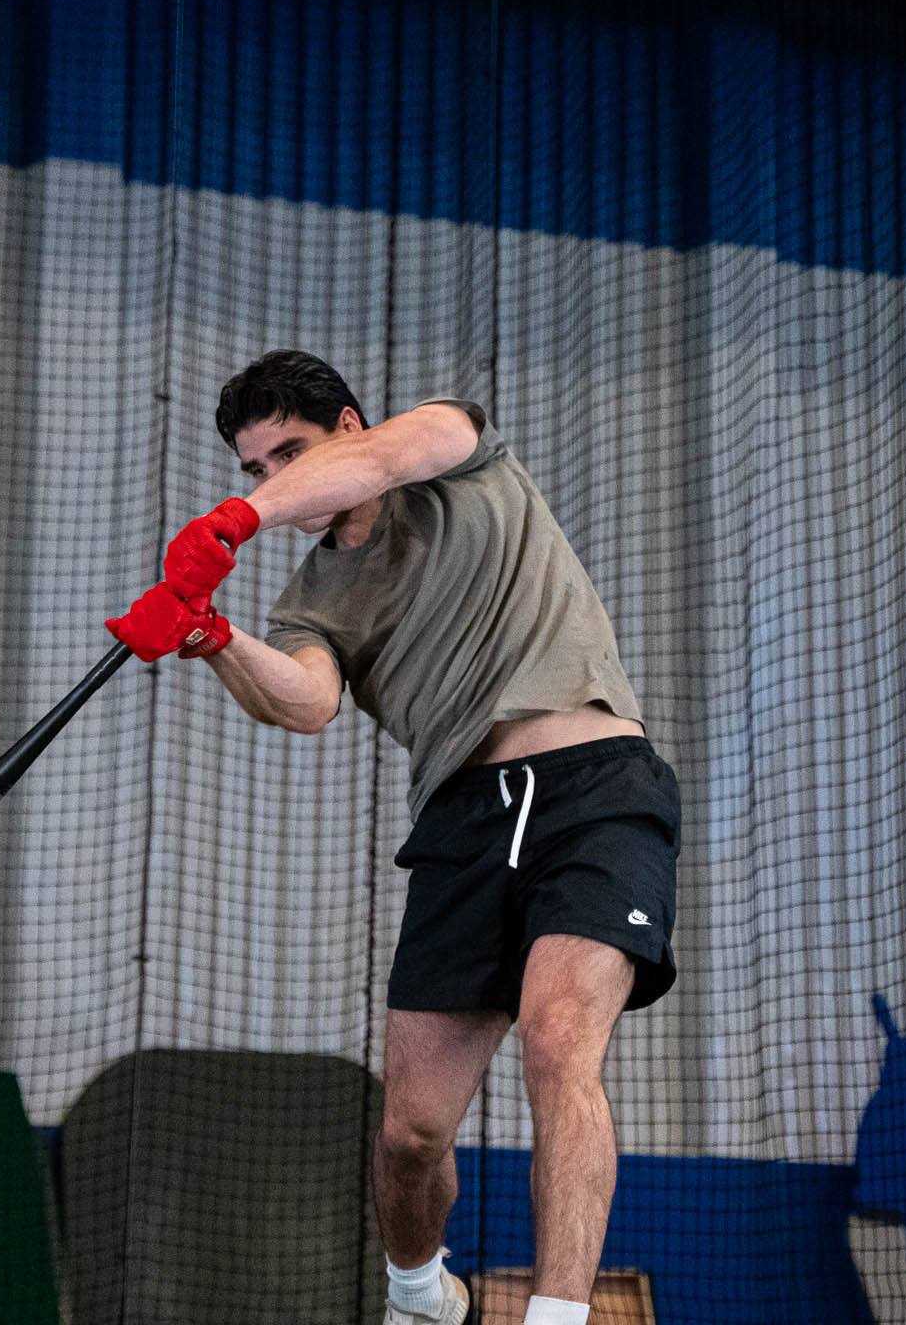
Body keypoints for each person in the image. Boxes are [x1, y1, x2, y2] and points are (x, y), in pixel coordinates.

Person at [106, 350, 681, 1325]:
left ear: (345, 425)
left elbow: (381, 461)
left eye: (287, 454)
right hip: (461, 823)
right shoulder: (315, 595)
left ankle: (555, 1317)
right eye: (252, 471)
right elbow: (306, 702)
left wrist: (234, 520)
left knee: (557, 1042)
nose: (272, 482)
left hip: (594, 789)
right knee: (411, 1136)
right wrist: (212, 635)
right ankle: (418, 1294)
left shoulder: (451, 449)